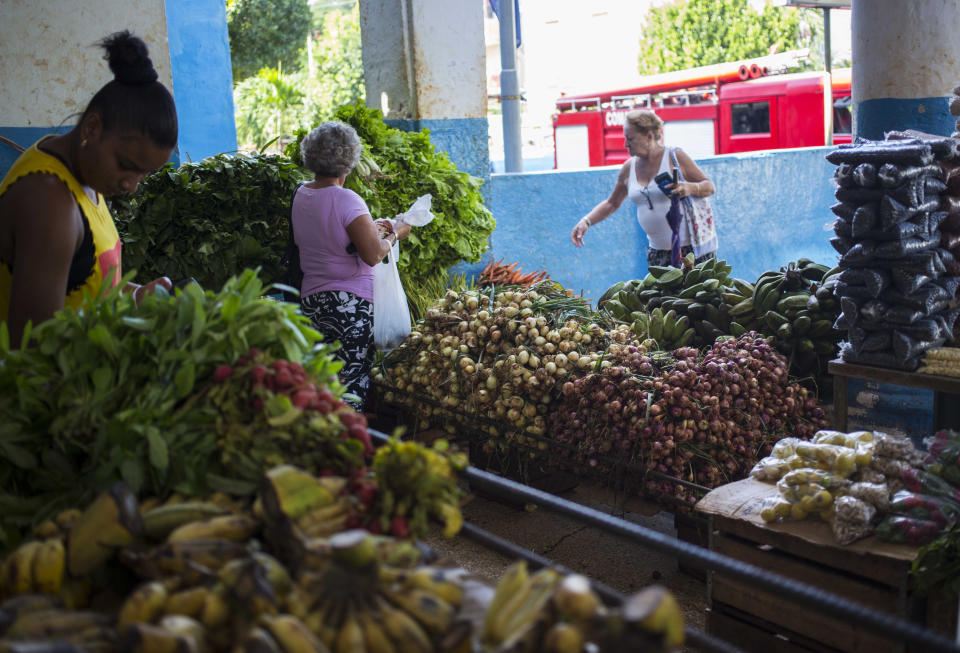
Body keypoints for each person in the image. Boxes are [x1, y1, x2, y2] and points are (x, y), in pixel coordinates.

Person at [0, 31, 178, 346]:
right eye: (126, 165)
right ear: (92, 127)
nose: (130, 185)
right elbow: (34, 354)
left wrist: (137, 297)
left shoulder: (87, 177)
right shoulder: (49, 202)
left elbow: (82, 284)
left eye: (143, 175)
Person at [293, 121, 411, 406]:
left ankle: (321, 440)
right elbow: (373, 255)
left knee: (321, 384)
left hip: (311, 303)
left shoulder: (300, 194)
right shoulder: (348, 200)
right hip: (349, 307)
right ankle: (346, 443)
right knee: (350, 386)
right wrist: (395, 233)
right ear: (349, 160)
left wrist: (369, 228)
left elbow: (330, 236)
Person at [570, 110, 717, 267]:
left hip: (690, 251)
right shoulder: (629, 168)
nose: (626, 144)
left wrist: (689, 187)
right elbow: (611, 203)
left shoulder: (674, 157)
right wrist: (586, 221)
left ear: (649, 136)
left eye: (630, 138)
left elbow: (709, 186)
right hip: (658, 253)